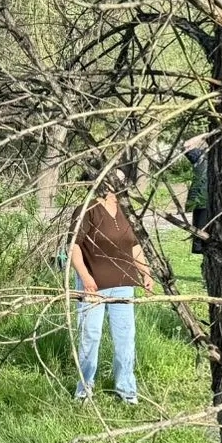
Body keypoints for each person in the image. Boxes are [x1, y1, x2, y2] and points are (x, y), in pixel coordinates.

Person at [68, 172, 154, 404]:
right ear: (104, 184)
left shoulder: (126, 212)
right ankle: (84, 390)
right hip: (93, 285)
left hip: (123, 285)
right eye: (117, 181)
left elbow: (134, 246)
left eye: (123, 181)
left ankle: (126, 390)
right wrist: (85, 277)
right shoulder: (86, 210)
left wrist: (146, 273)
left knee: (126, 338)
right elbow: (74, 248)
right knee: (90, 336)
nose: (122, 185)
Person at [183, 133, 211, 254]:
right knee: (201, 240)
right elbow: (187, 145)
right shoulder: (201, 157)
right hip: (202, 200)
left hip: (211, 201)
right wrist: (209, 133)